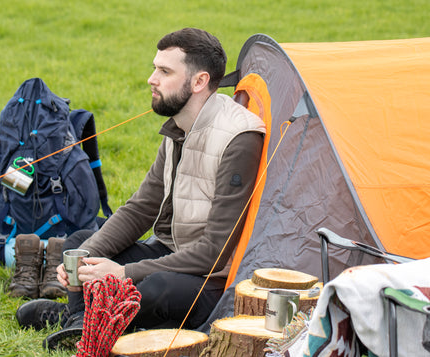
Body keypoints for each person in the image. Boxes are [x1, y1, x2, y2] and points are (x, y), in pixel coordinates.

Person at [15, 27, 266, 349]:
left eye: (164, 71)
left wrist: (124, 272)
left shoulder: (238, 138)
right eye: (154, 68)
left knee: (156, 287)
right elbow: (141, 208)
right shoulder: (180, 125)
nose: (152, 79)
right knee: (80, 242)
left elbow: (215, 253)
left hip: (211, 277)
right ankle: (81, 321)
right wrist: (87, 257)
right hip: (170, 249)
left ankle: (86, 318)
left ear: (199, 81)